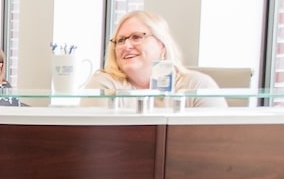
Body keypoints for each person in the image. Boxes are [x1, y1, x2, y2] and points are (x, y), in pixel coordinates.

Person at [84, 11, 226, 108]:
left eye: (137, 37)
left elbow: (219, 142)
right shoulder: (103, 85)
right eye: (120, 40)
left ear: (162, 45)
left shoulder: (197, 85)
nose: (126, 46)